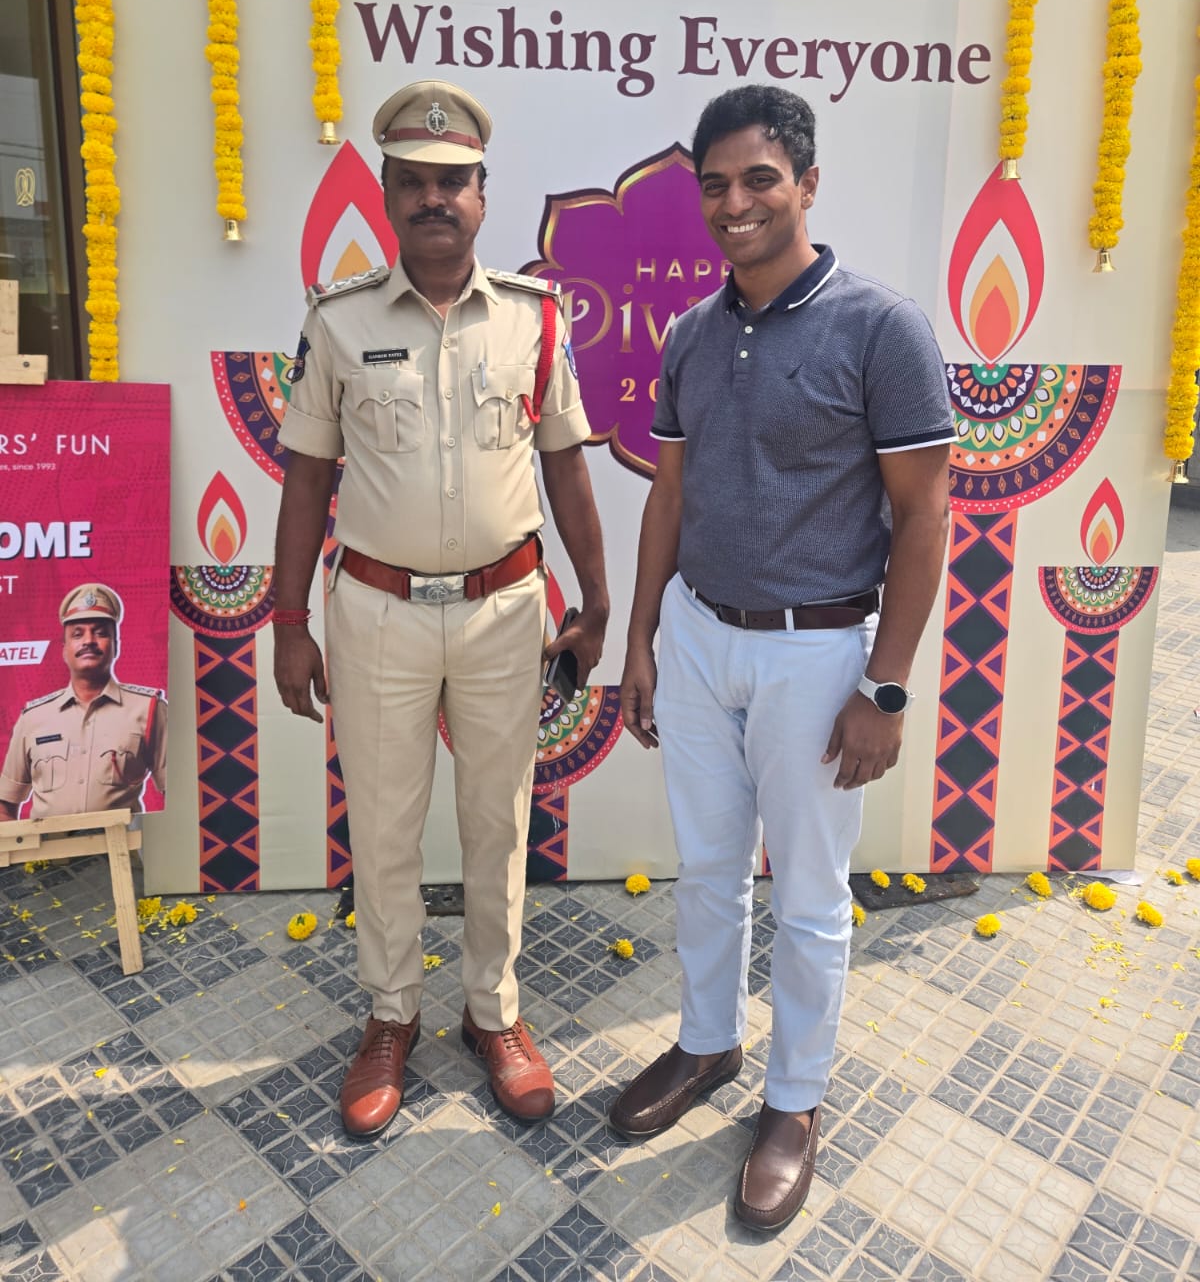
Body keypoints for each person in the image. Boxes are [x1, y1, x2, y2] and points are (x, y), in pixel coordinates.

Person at [611, 85, 952, 1230]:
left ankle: (796, 1100)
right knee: (708, 868)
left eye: (760, 179)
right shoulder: (691, 335)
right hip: (700, 639)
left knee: (808, 896)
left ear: (807, 183)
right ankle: (707, 1043)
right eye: (715, 185)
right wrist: (642, 637)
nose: (736, 204)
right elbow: (669, 493)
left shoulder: (882, 327)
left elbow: (924, 516)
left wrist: (884, 686)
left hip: (818, 655)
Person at [273, 79, 608, 1139]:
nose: (434, 199)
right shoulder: (338, 322)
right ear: (385, 194)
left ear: (482, 196)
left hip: (506, 610)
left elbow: (566, 466)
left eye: (453, 182)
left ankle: (493, 1012)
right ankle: (391, 1014)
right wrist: (290, 622)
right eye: (413, 181)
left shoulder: (535, 319)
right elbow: (305, 480)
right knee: (383, 824)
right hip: (377, 613)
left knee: (497, 819)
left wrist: (599, 600)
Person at [0, 584, 167, 822]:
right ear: (64, 649)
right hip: (48, 847)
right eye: (77, 634)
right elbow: (5, 804)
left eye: (100, 633)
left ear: (116, 645)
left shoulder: (148, 709)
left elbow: (177, 794)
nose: (88, 641)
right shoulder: (33, 718)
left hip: (119, 845)